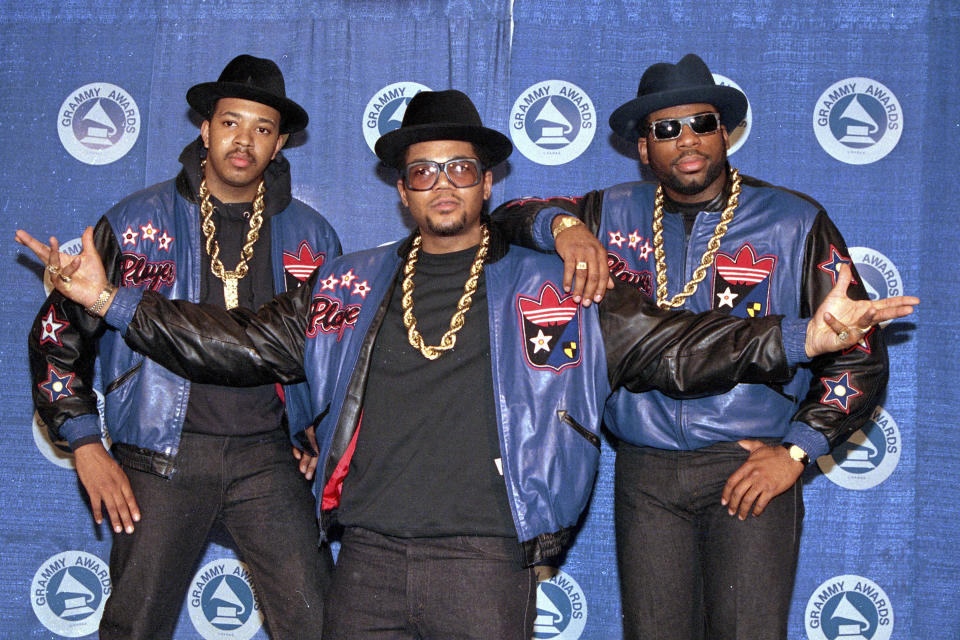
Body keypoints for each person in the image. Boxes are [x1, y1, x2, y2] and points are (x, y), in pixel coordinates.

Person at [18, 90, 915, 640]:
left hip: (486, 563)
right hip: (364, 559)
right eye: (421, 171)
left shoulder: (555, 283)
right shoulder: (349, 283)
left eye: (458, 168)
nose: (441, 184)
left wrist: (803, 339)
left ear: (488, 184)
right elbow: (232, 342)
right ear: (400, 191)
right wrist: (109, 303)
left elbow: (682, 348)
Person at [493, 53, 894, 639]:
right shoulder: (607, 212)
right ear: (642, 147)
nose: (688, 140)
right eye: (667, 129)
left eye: (703, 124)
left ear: (725, 133)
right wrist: (565, 227)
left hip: (746, 464)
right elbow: (504, 217)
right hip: (646, 472)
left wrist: (798, 452)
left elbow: (858, 350)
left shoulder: (793, 220)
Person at [26, 55, 340, 639]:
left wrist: (320, 435)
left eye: (262, 129)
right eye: (230, 122)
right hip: (158, 454)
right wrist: (85, 443)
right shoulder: (134, 222)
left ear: (280, 145)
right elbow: (56, 338)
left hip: (269, 460)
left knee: (318, 623)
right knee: (134, 627)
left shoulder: (313, 237)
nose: (243, 141)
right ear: (205, 128)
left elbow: (331, 355)